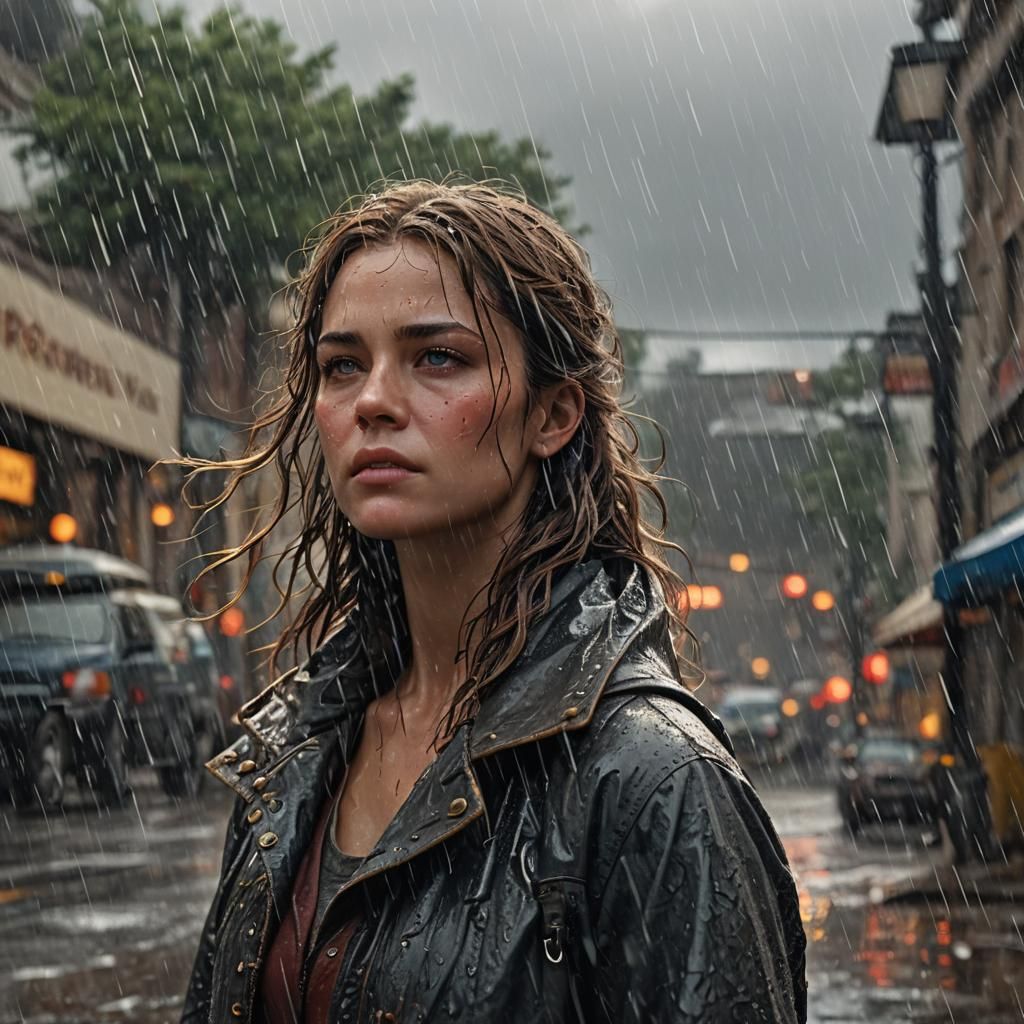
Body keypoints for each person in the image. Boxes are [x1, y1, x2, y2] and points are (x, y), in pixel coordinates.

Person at [180, 180, 807, 1023]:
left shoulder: (654, 783)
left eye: (438, 357)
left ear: (552, 414)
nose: (372, 401)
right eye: (342, 366)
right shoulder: (289, 757)